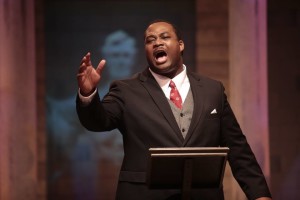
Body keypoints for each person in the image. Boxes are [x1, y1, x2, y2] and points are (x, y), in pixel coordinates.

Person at [76, 20, 272, 200]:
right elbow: (97, 121)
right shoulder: (126, 89)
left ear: (180, 45)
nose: (157, 43)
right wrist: (88, 93)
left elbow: (237, 147)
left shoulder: (213, 90)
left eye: (165, 37)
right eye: (150, 40)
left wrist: (260, 195)